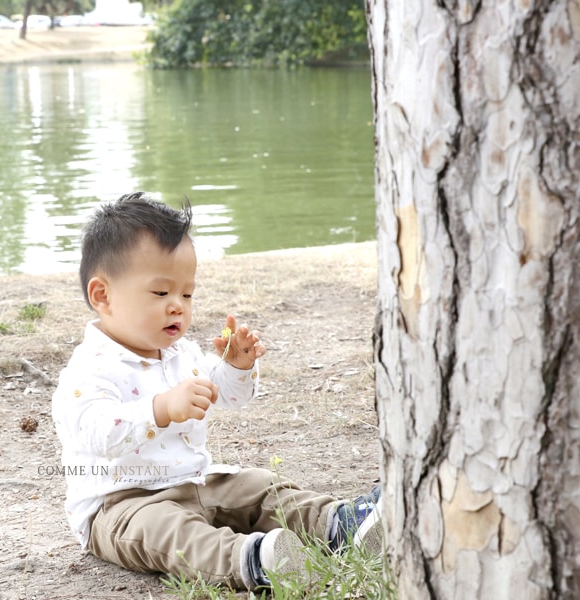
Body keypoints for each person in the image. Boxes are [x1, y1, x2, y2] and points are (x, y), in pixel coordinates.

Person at [51, 192, 382, 590]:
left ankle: (340, 524)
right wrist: (159, 409)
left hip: (199, 481)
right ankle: (254, 561)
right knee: (171, 532)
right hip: (123, 504)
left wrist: (236, 367)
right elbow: (96, 432)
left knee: (258, 486)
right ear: (102, 295)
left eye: (186, 294)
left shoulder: (180, 353)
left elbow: (228, 396)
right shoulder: (89, 369)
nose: (178, 306)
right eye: (161, 293)